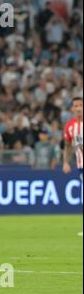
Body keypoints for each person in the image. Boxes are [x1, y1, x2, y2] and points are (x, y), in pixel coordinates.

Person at [62, 97, 83, 237]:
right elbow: (68, 146)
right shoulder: (69, 126)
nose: (79, 108)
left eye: (81, 105)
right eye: (76, 105)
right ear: (72, 109)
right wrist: (65, 162)